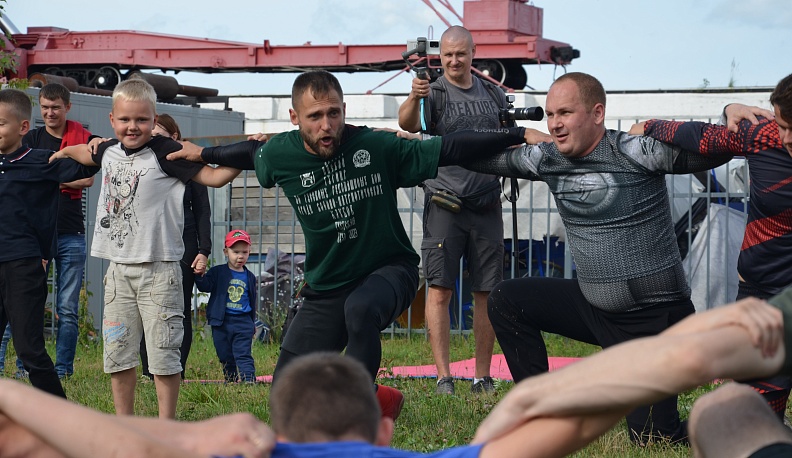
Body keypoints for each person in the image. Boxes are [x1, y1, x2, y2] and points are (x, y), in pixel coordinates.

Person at [166, 70, 547, 420]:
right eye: (314, 117)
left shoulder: (376, 146)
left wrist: (519, 135)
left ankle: (359, 415)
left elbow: (450, 147)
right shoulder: (281, 153)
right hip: (327, 284)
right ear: (295, 118)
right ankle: (382, 400)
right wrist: (201, 153)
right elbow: (250, 153)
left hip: (389, 270)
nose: (326, 125)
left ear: (344, 110)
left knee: (361, 309)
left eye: (334, 113)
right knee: (287, 391)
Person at [3, 293, 792, 458]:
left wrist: (179, 436)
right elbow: (643, 381)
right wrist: (705, 330)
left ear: (281, 426)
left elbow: (108, 446)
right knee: (723, 405)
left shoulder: (238, 448)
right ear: (385, 426)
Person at [474, 72, 734, 444]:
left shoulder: (636, 151)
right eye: (549, 115)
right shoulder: (547, 159)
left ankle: (732, 424)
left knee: (652, 439)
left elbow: (716, 150)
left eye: (565, 112)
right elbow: (481, 159)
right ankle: (543, 411)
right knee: (506, 299)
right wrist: (428, 146)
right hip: (595, 309)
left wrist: (726, 112)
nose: (555, 124)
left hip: (653, 324)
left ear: (598, 113)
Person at [50, 78, 241, 418]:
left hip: (160, 272)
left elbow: (213, 177)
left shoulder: (166, 152)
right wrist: (65, 151)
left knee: (164, 355)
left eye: (141, 120)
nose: (132, 126)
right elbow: (87, 152)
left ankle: (166, 425)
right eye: (125, 120)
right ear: (112, 120)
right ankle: (125, 425)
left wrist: (245, 154)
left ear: (154, 121)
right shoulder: (108, 149)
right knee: (118, 352)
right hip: (118, 272)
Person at [629, 72, 792, 419]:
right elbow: (702, 137)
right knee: (756, 414)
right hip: (761, 296)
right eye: (782, 125)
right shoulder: (764, 137)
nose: (786, 137)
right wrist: (650, 126)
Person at [397, 26, 504, 395]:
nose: (454, 61)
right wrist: (414, 95)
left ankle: (483, 376)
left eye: (461, 54)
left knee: (487, 292)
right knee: (439, 290)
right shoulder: (432, 90)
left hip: (488, 202)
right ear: (439, 56)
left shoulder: (493, 93)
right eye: (447, 55)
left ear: (474, 52)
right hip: (445, 202)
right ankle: (444, 377)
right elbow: (408, 123)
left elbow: (509, 132)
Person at [0, 88, 98, 398]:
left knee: (30, 350)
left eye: (1, 123)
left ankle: (64, 420)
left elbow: (90, 166)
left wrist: (87, 147)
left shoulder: (42, 161)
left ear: (23, 128)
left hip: (23, 266)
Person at [140, 113, 212, 380]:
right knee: (148, 307)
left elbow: (203, 209)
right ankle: (149, 371)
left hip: (185, 243)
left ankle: (175, 371)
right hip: (150, 243)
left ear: (174, 137)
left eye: (159, 137)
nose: (154, 143)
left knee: (178, 308)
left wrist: (204, 250)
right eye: (151, 137)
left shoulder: (189, 163)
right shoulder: (144, 161)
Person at [194, 229, 257, 383]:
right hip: (221, 322)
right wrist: (199, 275)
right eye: (235, 252)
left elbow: (252, 300)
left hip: (243, 322)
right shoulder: (217, 272)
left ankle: (249, 380)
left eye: (245, 252)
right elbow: (205, 287)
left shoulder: (250, 277)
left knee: (243, 353)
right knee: (224, 354)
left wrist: (251, 323)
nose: (240, 256)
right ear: (226, 252)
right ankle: (231, 379)